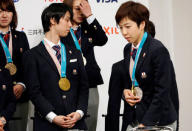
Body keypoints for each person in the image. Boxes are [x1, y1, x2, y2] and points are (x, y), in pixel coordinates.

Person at [106, 1, 179, 131]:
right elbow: (132, 82)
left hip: (158, 122)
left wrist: (146, 124)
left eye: (128, 26)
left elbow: (162, 91)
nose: (124, 32)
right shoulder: (127, 48)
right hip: (135, 119)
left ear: (142, 24)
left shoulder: (157, 50)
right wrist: (125, 93)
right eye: (121, 27)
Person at [23, 3, 89, 131]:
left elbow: (84, 87)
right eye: (67, 20)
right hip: (47, 125)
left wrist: (79, 113)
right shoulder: (32, 55)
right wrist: (52, 117)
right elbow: (34, 92)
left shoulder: (75, 52)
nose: (70, 25)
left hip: (76, 123)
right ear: (53, 20)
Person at [62, 0, 108, 130]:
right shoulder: (61, 29)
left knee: (91, 120)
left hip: (90, 81)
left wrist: (90, 16)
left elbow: (103, 40)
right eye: (77, 9)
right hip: (67, 83)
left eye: (84, 8)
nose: (81, 12)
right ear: (68, 9)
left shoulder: (89, 26)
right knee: (69, 123)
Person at [0, 0, 29, 130]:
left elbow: (28, 67)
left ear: (13, 14)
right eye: (0, 11)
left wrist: (22, 85)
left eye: (8, 11)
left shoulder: (21, 37)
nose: (4, 15)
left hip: (20, 96)